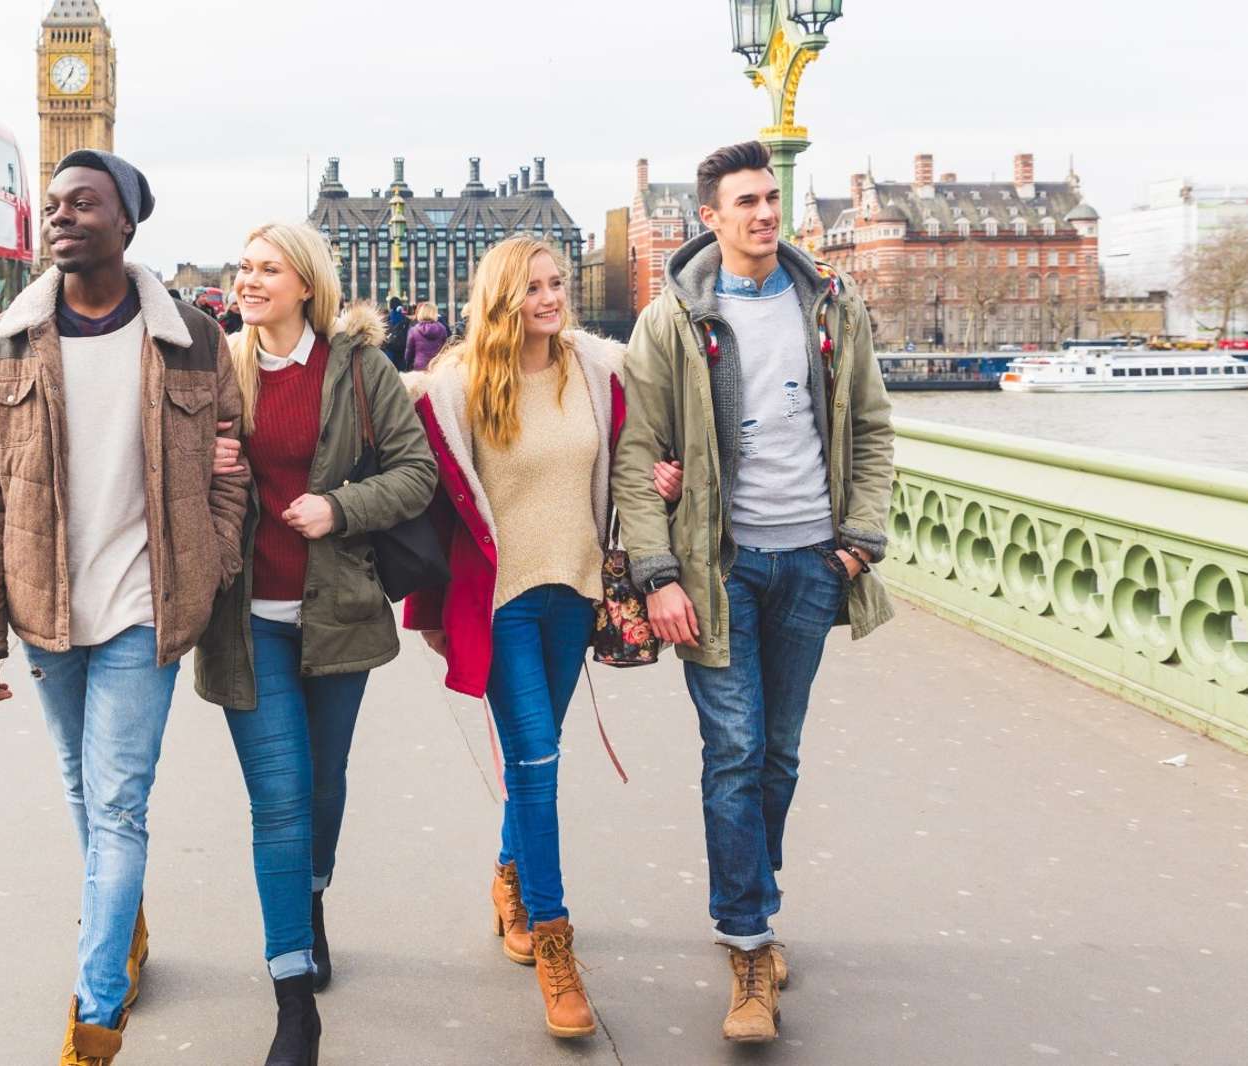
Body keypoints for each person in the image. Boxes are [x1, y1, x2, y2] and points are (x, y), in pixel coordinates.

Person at [0, 149, 251, 1065]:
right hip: (47, 613)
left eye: (84, 203)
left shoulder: (194, 338)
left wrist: (211, 560)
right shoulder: (6, 340)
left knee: (117, 806)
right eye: (53, 204)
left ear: (127, 222)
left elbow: (230, 466)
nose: (61, 216)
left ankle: (97, 1014)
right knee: (84, 790)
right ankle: (123, 929)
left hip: (142, 612)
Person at [612, 140, 895, 1044]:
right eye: (746, 202)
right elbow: (635, 454)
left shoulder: (832, 306)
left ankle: (754, 899)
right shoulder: (672, 322)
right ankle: (747, 944)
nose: (765, 214)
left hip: (812, 559)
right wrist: (658, 575)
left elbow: (873, 428)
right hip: (718, 570)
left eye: (773, 198)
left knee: (779, 753)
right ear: (711, 218)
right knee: (733, 752)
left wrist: (857, 542)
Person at [403, 235, 681, 1041]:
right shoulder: (453, 389)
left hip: (577, 593)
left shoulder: (598, 370)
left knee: (539, 756)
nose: (552, 298)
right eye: (534, 288)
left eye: (559, 283)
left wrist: (660, 475)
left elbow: (638, 457)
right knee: (535, 763)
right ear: (501, 298)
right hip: (503, 603)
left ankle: (507, 875)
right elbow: (427, 498)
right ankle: (557, 947)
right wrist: (430, 613)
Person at [194, 224, 436, 1065]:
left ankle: (314, 897)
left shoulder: (360, 369)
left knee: (324, 788)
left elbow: (417, 473)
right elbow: (166, 472)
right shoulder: (218, 367)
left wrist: (340, 508)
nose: (248, 279)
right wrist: (206, 460)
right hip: (246, 618)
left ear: (306, 283)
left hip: (337, 615)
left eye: (267, 268)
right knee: (281, 802)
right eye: (244, 265)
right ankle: (295, 1004)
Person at [405, 300, 449, 371]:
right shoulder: (442, 329)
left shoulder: (414, 330)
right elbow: (445, 349)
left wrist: (408, 366)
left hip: (419, 368)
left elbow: (409, 354)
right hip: (436, 367)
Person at [384, 296, 413, 371]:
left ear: (390, 306)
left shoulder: (386, 320)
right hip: (402, 352)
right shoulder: (406, 320)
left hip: (390, 351)